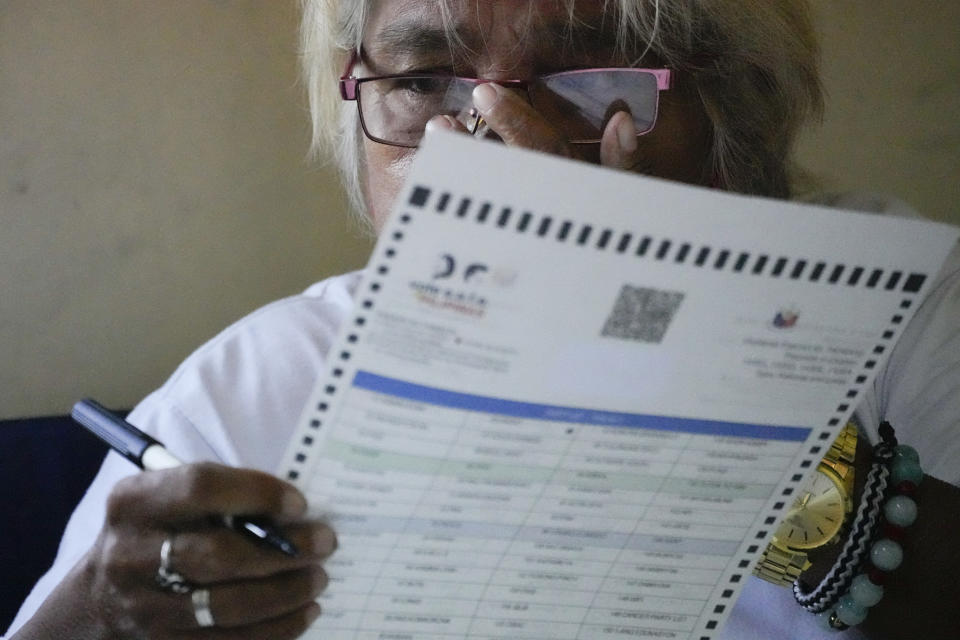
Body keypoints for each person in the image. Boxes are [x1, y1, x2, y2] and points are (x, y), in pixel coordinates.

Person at [6, 1, 960, 638]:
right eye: (425, 81)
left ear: (727, 108)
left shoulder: (900, 298)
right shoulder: (256, 380)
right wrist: (95, 614)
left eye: (586, 73)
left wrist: (685, 342)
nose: (498, 146)